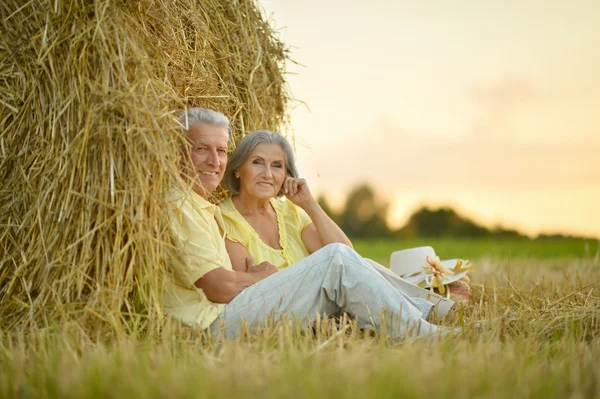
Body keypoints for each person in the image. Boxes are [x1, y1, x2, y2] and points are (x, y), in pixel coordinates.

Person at [162, 107, 455, 340]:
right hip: (210, 328)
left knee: (343, 259)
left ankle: (427, 315)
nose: (214, 160)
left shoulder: (201, 207)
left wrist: (309, 205)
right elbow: (222, 288)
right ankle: (422, 329)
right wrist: (261, 277)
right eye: (202, 149)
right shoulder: (186, 208)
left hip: (227, 316)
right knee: (335, 259)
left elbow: (350, 257)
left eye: (221, 150)